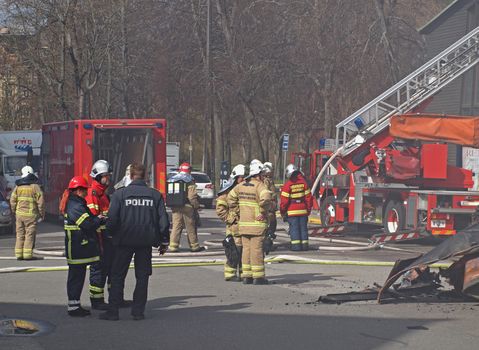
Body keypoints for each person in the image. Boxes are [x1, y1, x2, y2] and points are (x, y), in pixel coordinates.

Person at [100, 163, 170, 321]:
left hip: (123, 241)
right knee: (142, 277)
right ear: (145, 176)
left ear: (130, 176)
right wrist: (163, 241)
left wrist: (110, 235)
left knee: (117, 276)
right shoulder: (155, 195)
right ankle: (138, 312)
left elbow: (112, 219)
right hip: (145, 242)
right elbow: (163, 222)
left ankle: (113, 311)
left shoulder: (120, 195)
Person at [64, 176, 105, 317]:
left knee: (80, 276)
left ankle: (75, 305)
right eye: (84, 190)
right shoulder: (75, 205)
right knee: (76, 278)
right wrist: (98, 220)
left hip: (81, 247)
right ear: (78, 190)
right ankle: (74, 307)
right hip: (77, 248)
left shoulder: (77, 203)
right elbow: (87, 224)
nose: (86, 193)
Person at [228, 160, 271, 285]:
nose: (263, 177)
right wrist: (262, 213)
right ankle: (258, 277)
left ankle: (246, 275)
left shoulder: (240, 186)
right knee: (256, 250)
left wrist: (238, 211)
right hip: (256, 226)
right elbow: (266, 198)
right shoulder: (260, 186)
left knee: (246, 250)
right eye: (262, 174)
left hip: (243, 225)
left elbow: (230, 198)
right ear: (258, 174)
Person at [85, 160, 116, 310]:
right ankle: (96, 301)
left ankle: (114, 298)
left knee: (109, 268)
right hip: (98, 239)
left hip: (107, 238)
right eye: (105, 176)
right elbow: (93, 220)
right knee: (99, 269)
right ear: (97, 176)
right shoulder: (93, 194)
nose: (108, 179)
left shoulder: (103, 195)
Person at [216, 164, 246, 281]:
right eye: (241, 177)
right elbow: (220, 210)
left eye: (245, 177)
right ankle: (230, 274)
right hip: (233, 228)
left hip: (245, 227)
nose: (243, 180)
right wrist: (231, 219)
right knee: (235, 251)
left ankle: (244, 274)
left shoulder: (245, 190)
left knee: (244, 252)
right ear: (235, 178)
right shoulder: (227, 193)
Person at [10, 166, 44, 260]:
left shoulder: (17, 187)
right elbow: (41, 203)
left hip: (19, 215)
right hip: (31, 216)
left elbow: (12, 200)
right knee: (29, 235)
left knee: (20, 234)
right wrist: (42, 214)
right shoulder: (35, 187)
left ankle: (18, 254)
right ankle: (28, 255)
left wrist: (14, 211)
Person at [168, 162, 204, 252]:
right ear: (189, 170)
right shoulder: (189, 180)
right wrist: (196, 205)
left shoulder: (173, 179)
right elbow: (192, 197)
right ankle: (194, 246)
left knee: (176, 226)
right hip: (187, 207)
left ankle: (173, 246)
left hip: (175, 206)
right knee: (190, 227)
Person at [280, 164, 313, 251]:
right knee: (303, 229)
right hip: (303, 211)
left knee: (294, 229)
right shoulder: (304, 183)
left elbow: (284, 202)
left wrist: (282, 212)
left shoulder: (288, 185)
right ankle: (305, 246)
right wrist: (308, 210)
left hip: (292, 212)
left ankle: (296, 247)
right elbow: (309, 198)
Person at [262, 162, 277, 238]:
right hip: (269, 207)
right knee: (270, 225)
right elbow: (266, 193)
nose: (272, 172)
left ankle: (269, 239)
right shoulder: (265, 181)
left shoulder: (270, 180)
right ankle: (267, 241)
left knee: (273, 224)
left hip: (272, 206)